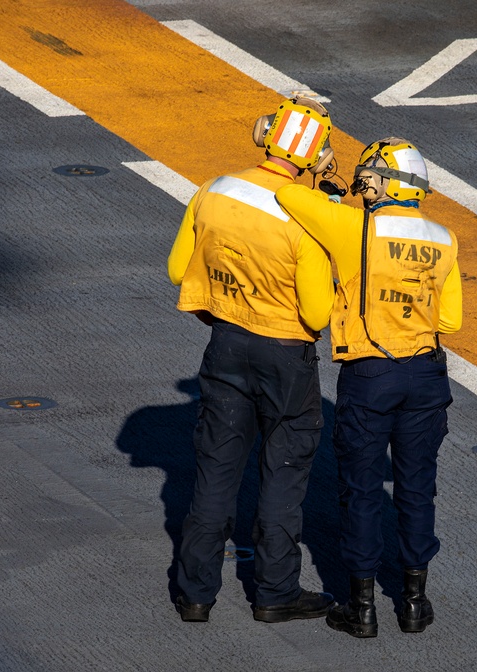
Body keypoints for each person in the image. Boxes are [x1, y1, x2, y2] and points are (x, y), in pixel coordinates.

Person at [274, 138, 462, 637]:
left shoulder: (355, 227)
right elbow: (452, 317)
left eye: (367, 177)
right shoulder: (444, 237)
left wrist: (331, 191)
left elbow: (291, 198)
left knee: (359, 492)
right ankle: (415, 603)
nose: (363, 183)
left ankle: (361, 610)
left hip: (370, 375)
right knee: (417, 490)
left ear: (382, 182)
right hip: (426, 374)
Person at [166, 97, 337, 624]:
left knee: (216, 472)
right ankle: (275, 593)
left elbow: (178, 269)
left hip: (226, 343)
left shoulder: (215, 189)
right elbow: (317, 312)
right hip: (285, 353)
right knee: (283, 473)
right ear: (316, 155)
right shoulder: (307, 219)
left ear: (265, 134)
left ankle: (195, 594)